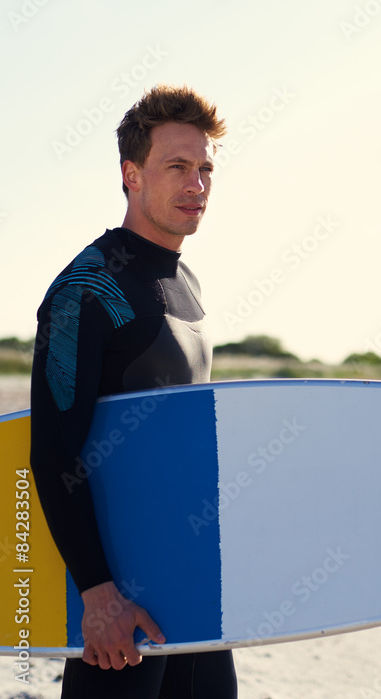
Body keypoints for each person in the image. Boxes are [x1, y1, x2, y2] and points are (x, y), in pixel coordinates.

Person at [30, 85, 237, 698]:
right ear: (132, 174)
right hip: (121, 607)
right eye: (177, 167)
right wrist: (96, 595)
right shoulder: (85, 290)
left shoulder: (186, 280)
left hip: (194, 592)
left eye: (205, 169)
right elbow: (54, 452)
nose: (196, 184)